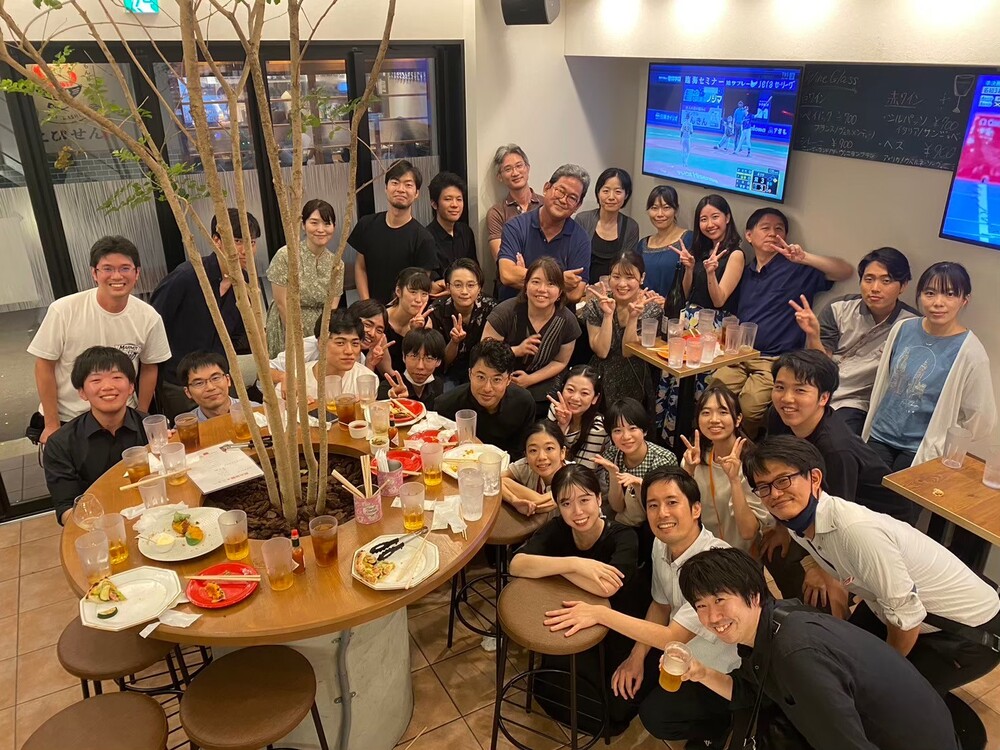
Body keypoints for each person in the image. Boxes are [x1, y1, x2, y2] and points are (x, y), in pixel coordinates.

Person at [745, 436, 1000, 696]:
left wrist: (879, 675)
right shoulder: (800, 523)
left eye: (783, 480)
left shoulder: (855, 531)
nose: (775, 494)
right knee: (841, 661)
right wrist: (841, 622)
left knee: (878, 694)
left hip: (970, 633)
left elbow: (907, 619)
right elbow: (837, 569)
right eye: (763, 487)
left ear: (815, 478)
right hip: (893, 606)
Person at [678, 547, 961, 750]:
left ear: (753, 594)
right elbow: (752, 691)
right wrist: (701, 672)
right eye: (701, 605)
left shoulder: (795, 654)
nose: (712, 616)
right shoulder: (778, 620)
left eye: (720, 600)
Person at [542, 466, 738, 747]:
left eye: (672, 502)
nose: (662, 514)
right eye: (653, 505)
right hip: (680, 652)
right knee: (621, 693)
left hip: (723, 670)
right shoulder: (661, 543)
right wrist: (637, 656)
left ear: (696, 509)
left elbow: (672, 636)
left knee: (656, 715)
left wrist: (600, 614)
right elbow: (660, 604)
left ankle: (728, 721)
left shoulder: (712, 562)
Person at [510, 464, 648, 735]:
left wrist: (553, 567)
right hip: (574, 616)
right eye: (566, 503)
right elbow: (517, 564)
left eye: (585, 500)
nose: (577, 512)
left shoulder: (624, 536)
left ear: (599, 499)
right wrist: (573, 564)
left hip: (617, 623)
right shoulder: (558, 528)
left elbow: (607, 588)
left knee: (613, 709)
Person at [710, 207, 853, 433]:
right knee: (715, 395)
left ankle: (743, 448)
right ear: (749, 235)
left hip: (774, 359)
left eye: (779, 229)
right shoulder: (746, 272)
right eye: (765, 228)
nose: (772, 234)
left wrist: (805, 257)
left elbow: (845, 271)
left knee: (749, 407)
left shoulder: (796, 269)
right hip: (741, 354)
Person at [29, 236, 170, 442]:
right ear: (94, 273)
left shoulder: (149, 317)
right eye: (107, 269)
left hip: (122, 417)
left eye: (125, 268)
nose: (117, 276)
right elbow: (44, 365)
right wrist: (52, 424)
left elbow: (149, 367)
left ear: (137, 273)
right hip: (70, 418)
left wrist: (141, 414)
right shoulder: (63, 310)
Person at [864, 261, 996, 470]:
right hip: (880, 434)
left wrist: (944, 439)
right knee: (864, 487)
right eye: (930, 293)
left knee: (899, 491)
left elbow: (981, 417)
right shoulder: (903, 328)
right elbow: (886, 381)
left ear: (965, 300)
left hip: (921, 448)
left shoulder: (970, 351)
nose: (938, 303)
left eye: (950, 294)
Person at [766, 349, 913, 521]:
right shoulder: (778, 415)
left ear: (824, 398)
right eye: (780, 387)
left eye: (800, 390)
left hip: (880, 518)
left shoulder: (835, 448)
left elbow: (837, 516)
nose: (786, 398)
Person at [789, 246, 917, 434]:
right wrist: (813, 335)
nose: (875, 288)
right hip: (821, 387)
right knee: (778, 415)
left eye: (886, 281)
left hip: (857, 400)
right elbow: (819, 364)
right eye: (868, 279)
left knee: (836, 432)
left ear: (903, 286)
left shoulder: (912, 325)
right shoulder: (839, 308)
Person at [151, 209, 260, 419]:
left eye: (252, 242)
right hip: (181, 382)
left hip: (220, 378)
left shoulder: (244, 280)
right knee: (192, 435)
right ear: (216, 240)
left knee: (234, 427)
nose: (245, 250)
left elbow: (237, 334)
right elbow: (153, 324)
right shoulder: (187, 276)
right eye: (238, 241)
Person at [43, 347, 149, 524]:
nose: (107, 387)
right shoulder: (61, 444)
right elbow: (66, 510)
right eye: (96, 380)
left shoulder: (149, 426)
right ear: (82, 392)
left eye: (117, 377)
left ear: (131, 387)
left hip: (152, 516)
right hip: (99, 527)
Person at [679, 384, 771, 555]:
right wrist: (688, 472)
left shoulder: (753, 464)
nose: (714, 419)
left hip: (740, 556)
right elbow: (679, 511)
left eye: (723, 412)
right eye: (706, 413)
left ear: (738, 419)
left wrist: (734, 480)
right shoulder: (694, 458)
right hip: (702, 552)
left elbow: (748, 532)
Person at [483, 257, 580, 414]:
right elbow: (484, 352)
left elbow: (560, 361)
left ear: (560, 292)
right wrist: (516, 350)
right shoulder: (505, 312)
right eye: (536, 282)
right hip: (502, 378)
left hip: (544, 382)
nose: (542, 289)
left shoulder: (568, 321)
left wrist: (530, 380)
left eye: (551, 284)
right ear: (525, 286)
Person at [593, 398, 678, 561]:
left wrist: (640, 484)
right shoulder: (611, 455)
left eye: (632, 428)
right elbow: (617, 507)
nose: (626, 436)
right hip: (625, 523)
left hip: (655, 524)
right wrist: (614, 474)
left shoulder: (663, 459)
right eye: (617, 430)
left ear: (644, 430)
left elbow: (661, 509)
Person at [496, 164, 591, 302]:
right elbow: (507, 275)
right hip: (515, 309)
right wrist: (559, 279)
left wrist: (525, 275)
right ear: (546, 188)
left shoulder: (581, 239)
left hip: (557, 313)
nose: (563, 200)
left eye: (572, 198)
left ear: (578, 205)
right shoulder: (515, 227)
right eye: (560, 191)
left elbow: (575, 294)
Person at [264, 199, 344, 358]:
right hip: (287, 325)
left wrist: (323, 334)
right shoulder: (286, 255)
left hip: (319, 330)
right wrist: (296, 336)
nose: (321, 229)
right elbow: (281, 302)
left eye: (327, 224)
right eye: (314, 223)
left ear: (334, 227)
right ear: (303, 224)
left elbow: (332, 307)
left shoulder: (337, 264)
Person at [351, 159, 439, 304]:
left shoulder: (423, 239)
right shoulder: (366, 224)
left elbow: (419, 286)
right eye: (395, 182)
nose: (400, 189)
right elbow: (361, 267)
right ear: (386, 188)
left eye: (408, 185)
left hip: (404, 311)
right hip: (371, 311)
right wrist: (368, 306)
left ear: (416, 193)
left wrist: (394, 311)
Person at [584, 250, 663, 409]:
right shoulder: (596, 305)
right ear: (609, 278)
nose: (622, 284)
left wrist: (633, 317)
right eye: (616, 276)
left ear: (642, 278)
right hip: (600, 377)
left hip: (636, 378)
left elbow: (628, 352)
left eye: (630, 277)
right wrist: (607, 315)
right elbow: (602, 351)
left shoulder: (652, 309)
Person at [434, 340, 536, 458]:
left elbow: (522, 454)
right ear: (470, 374)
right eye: (481, 377)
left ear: (508, 379)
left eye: (496, 379)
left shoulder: (523, 403)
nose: (487, 388)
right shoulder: (446, 405)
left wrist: (485, 451)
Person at [269, 299, 388, 385]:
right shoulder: (309, 346)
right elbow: (264, 371)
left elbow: (361, 387)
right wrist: (284, 377)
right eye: (368, 324)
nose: (372, 333)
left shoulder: (359, 357)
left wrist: (370, 363)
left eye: (379, 330)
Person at [427, 258, 496, 388]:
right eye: (458, 285)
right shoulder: (436, 311)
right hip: (447, 373)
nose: (464, 291)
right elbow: (440, 362)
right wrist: (454, 342)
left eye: (470, 285)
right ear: (448, 287)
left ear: (479, 287)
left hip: (482, 369)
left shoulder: (491, 308)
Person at [573, 168, 640, 281]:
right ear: (598, 193)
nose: (611, 197)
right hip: (582, 285)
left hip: (616, 288)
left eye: (618, 192)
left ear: (626, 195)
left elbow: (627, 266)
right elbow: (574, 259)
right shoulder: (583, 220)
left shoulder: (631, 227)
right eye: (606, 191)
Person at [683, 194, 744, 314]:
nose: (710, 224)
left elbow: (719, 301)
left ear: (727, 218)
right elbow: (684, 295)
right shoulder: (699, 250)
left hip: (715, 321)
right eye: (703, 219)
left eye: (715, 217)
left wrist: (711, 273)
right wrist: (689, 269)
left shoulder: (736, 255)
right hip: (689, 318)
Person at [298, 309, 376, 399]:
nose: (349, 351)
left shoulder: (366, 380)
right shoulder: (296, 378)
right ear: (321, 343)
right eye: (340, 343)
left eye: (355, 343)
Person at [485, 144, 542, 264]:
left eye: (519, 166)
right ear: (500, 177)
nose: (515, 173)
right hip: (511, 275)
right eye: (508, 169)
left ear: (528, 168)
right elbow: (502, 260)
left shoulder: (546, 204)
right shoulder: (496, 213)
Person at [545, 365, 607, 471]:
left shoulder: (598, 427)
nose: (575, 398)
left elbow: (582, 473)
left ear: (595, 398)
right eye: (570, 390)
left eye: (584, 393)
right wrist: (562, 426)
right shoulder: (556, 409)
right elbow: (544, 451)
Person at [500, 420, 567, 517]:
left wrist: (506, 483)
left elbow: (541, 504)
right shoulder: (525, 465)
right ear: (526, 455)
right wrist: (514, 500)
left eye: (549, 448)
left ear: (562, 452)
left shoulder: (573, 477)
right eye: (533, 450)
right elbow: (493, 481)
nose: (541, 457)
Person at [636, 185, 692, 300]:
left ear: (676, 210)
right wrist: (643, 294)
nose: (660, 214)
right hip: (644, 305)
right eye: (654, 208)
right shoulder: (643, 244)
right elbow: (634, 278)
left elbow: (694, 284)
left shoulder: (688, 239)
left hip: (675, 308)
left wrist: (667, 302)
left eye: (666, 208)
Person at [425, 171, 477, 277]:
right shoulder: (426, 237)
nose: (455, 205)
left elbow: (475, 270)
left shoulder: (466, 232)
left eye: (459, 199)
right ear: (434, 204)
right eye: (448, 199)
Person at [177, 351, 254, 421]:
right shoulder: (185, 427)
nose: (210, 387)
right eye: (199, 383)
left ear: (228, 380)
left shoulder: (255, 410)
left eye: (215, 378)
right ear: (187, 392)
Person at [384, 267, 433, 376]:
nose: (419, 300)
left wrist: (416, 333)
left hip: (413, 377)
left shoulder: (426, 322)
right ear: (398, 291)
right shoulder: (381, 319)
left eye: (424, 294)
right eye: (413, 292)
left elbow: (422, 365)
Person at [380, 328, 446, 408]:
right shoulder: (387, 387)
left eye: (429, 358)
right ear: (404, 357)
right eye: (414, 356)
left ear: (438, 361)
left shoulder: (437, 384)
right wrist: (392, 399)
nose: (420, 366)